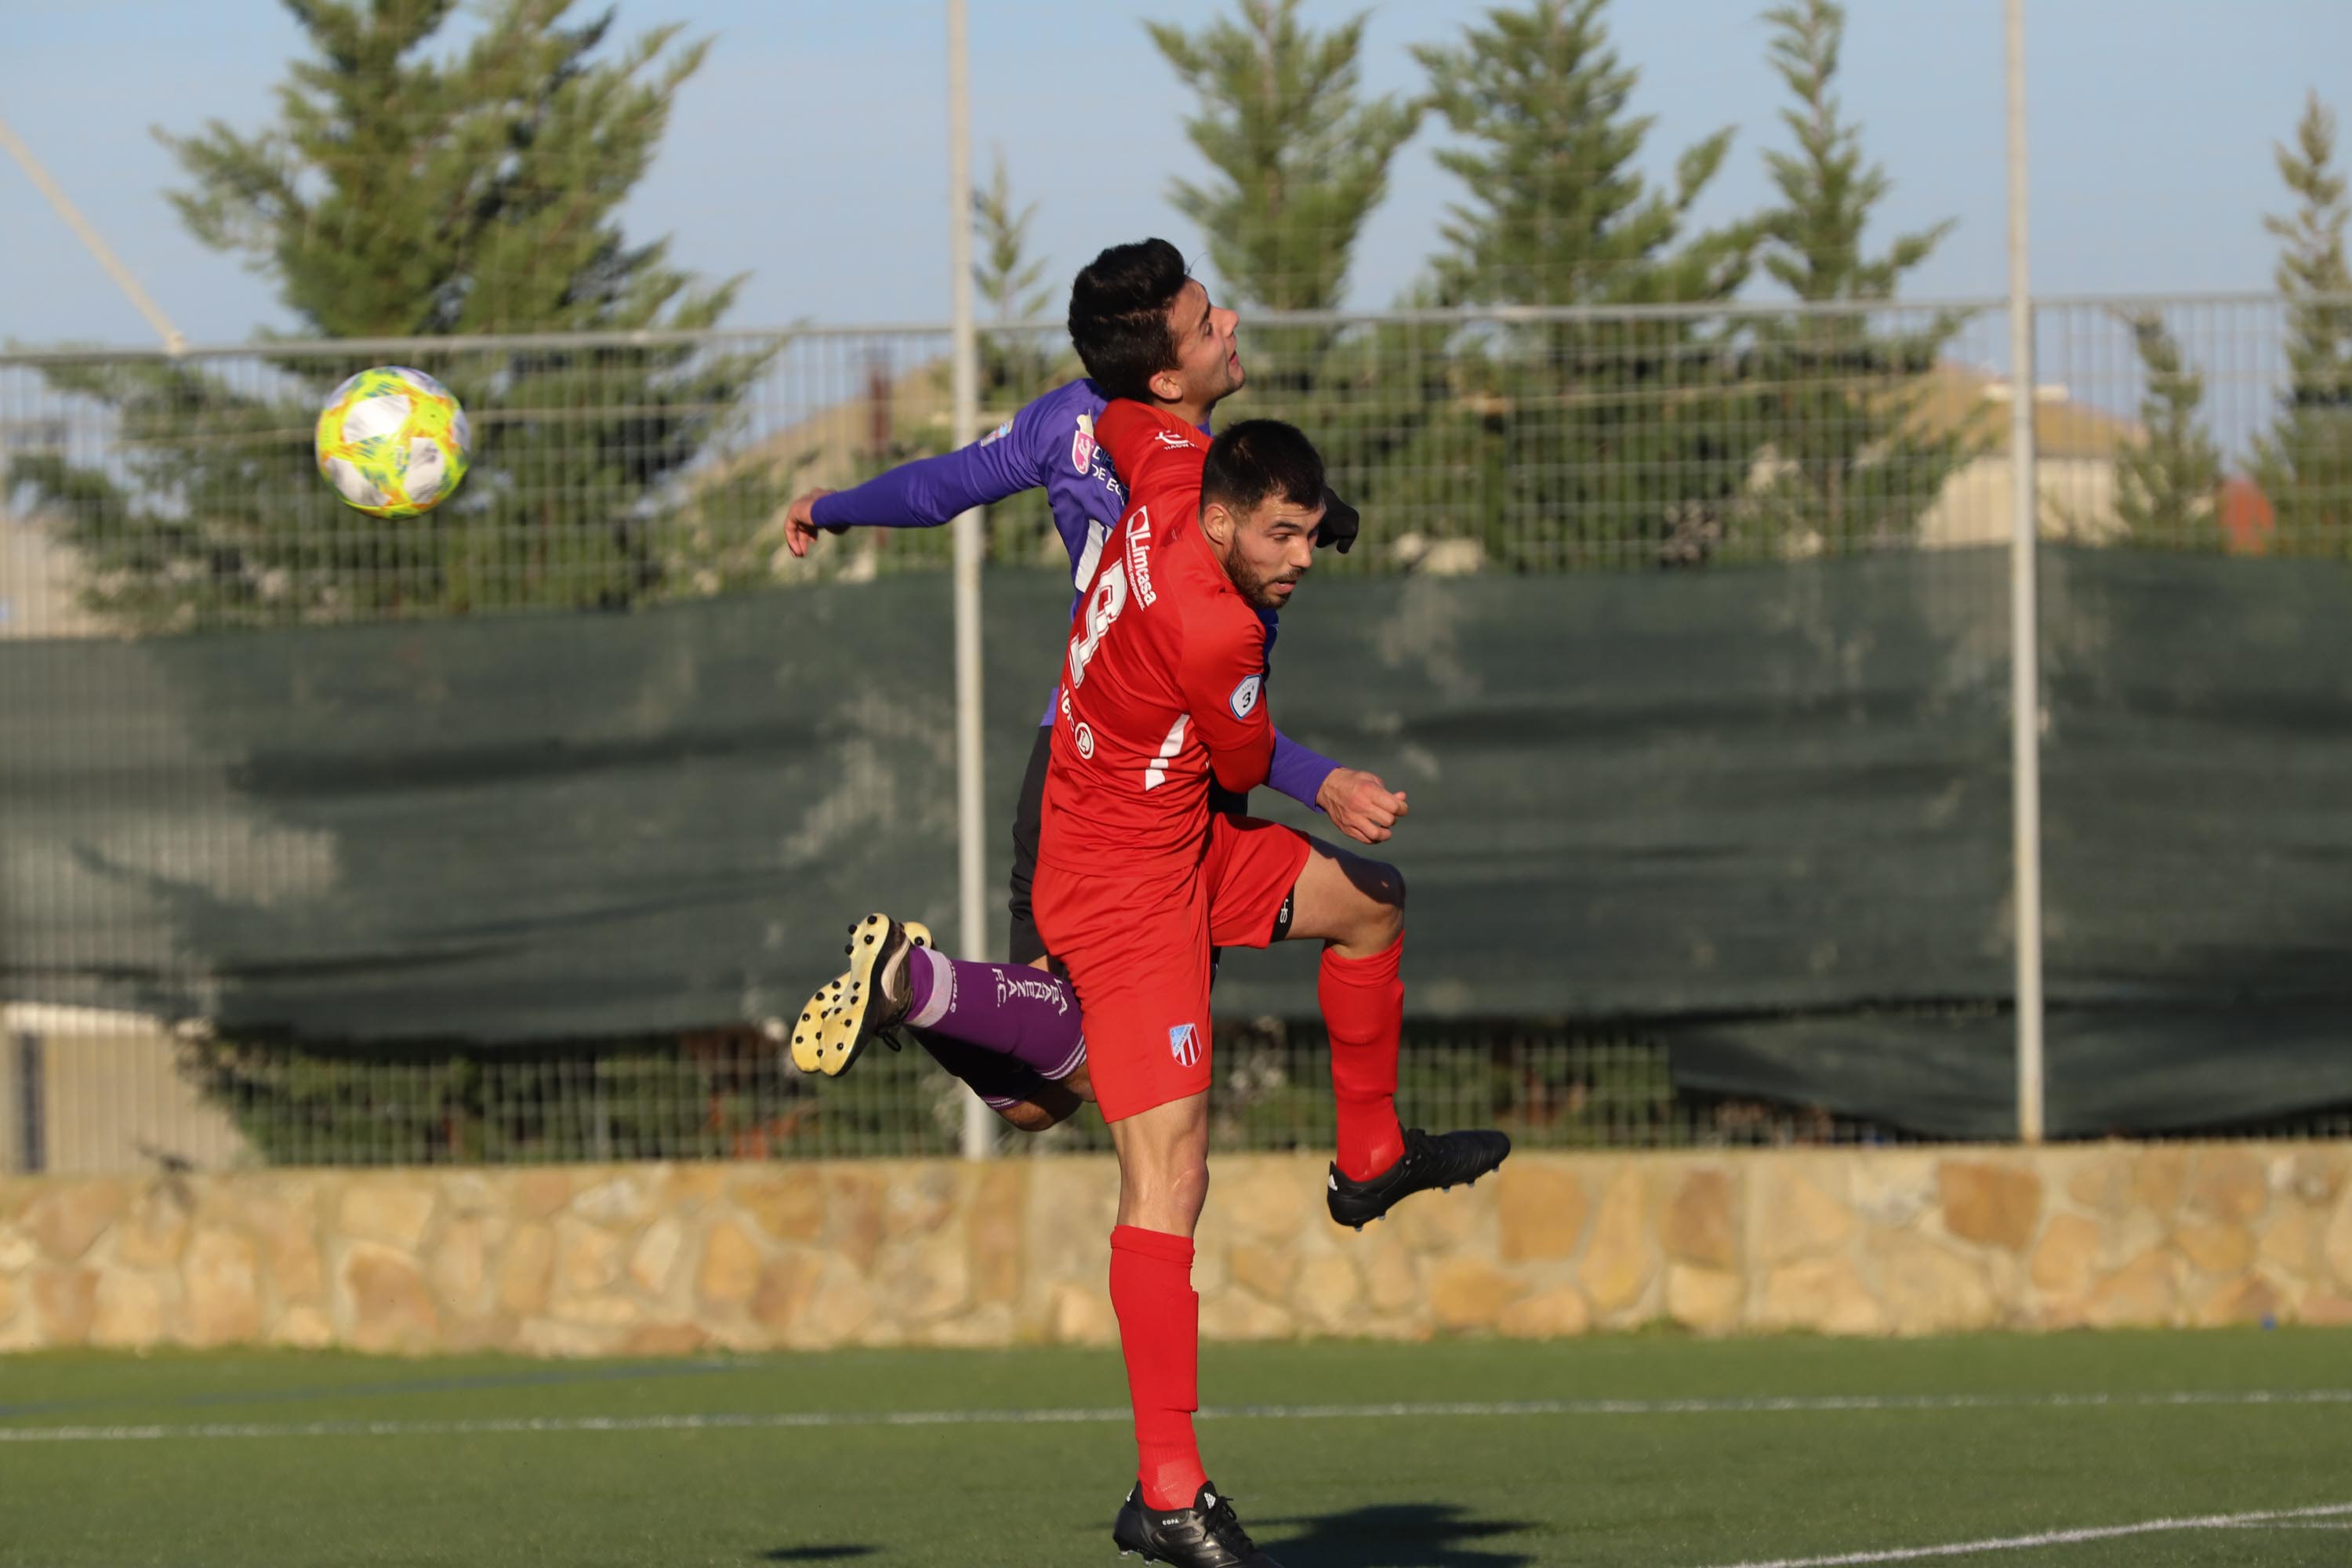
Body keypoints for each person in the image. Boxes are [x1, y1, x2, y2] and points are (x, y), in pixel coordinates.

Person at [780, 240, 1403, 1131]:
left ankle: (919, 991)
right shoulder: (1197, 500)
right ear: (1160, 379)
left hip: (1072, 766)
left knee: (1035, 1103)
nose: (1228, 323)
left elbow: (942, 487)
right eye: (1203, 322)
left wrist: (832, 504)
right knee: (1127, 1087)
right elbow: (1230, 706)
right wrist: (1323, 780)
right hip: (1140, 803)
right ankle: (916, 982)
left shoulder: (1073, 422)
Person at [1035, 405, 1512, 1566]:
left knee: (1373, 903)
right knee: (1168, 1173)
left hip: (1181, 839)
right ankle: (1168, 1491)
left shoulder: (1171, 469)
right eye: (1286, 537)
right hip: (1125, 885)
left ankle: (1371, 1158)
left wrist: (1281, 474)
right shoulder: (1215, 630)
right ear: (1226, 523)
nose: (1304, 557)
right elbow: (1252, 762)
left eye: (1313, 533)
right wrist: (1334, 781)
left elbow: (1141, 421)